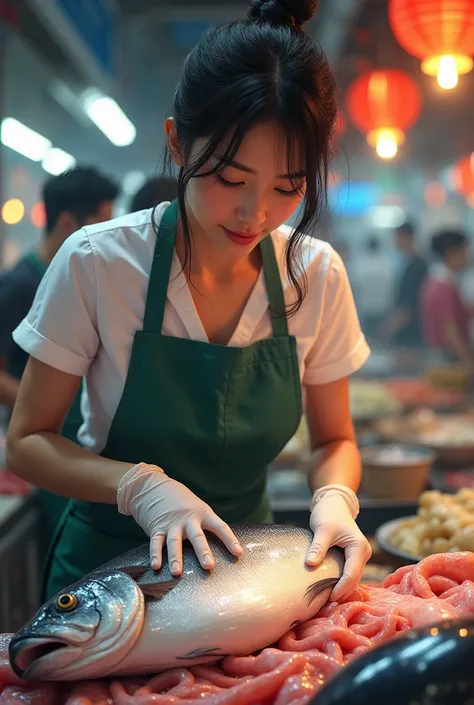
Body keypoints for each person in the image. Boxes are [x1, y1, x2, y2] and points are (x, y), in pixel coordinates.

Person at [6, 0, 372, 605]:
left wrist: (336, 498)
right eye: (230, 178)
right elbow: (28, 441)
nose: (256, 213)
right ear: (178, 142)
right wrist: (140, 487)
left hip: (247, 571)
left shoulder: (316, 273)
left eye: (288, 187)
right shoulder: (99, 262)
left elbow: (335, 440)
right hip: (111, 578)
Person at [0, 166, 119, 542]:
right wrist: (46, 401)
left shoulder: (77, 280)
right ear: (68, 222)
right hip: (44, 442)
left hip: (74, 443)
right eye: (101, 225)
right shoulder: (21, 284)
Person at [421, 229, 472, 365]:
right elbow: (450, 330)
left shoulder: (434, 281)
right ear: (451, 253)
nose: (468, 256)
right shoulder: (445, 287)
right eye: (465, 250)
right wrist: (467, 360)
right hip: (448, 358)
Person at [381, 221, 427, 351]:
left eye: (397, 238)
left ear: (408, 237)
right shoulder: (409, 263)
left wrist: (386, 331)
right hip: (407, 333)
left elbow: (408, 308)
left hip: (411, 335)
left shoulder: (417, 266)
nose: (395, 242)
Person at [351, 237, 393, 340]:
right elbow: (391, 287)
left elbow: (355, 288)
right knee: (382, 341)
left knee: (367, 341)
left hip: (365, 310)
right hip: (383, 309)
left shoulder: (360, 264)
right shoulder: (386, 263)